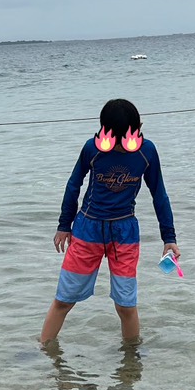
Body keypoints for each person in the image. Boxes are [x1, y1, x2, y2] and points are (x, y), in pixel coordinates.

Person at [40, 98, 179, 345]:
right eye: (116, 142)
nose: (123, 148)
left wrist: (169, 238)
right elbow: (74, 185)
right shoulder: (91, 150)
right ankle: (44, 351)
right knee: (64, 299)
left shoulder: (147, 152)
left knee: (126, 306)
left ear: (139, 129)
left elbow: (159, 193)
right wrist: (64, 225)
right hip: (87, 231)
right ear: (104, 133)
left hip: (124, 234)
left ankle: (131, 365)